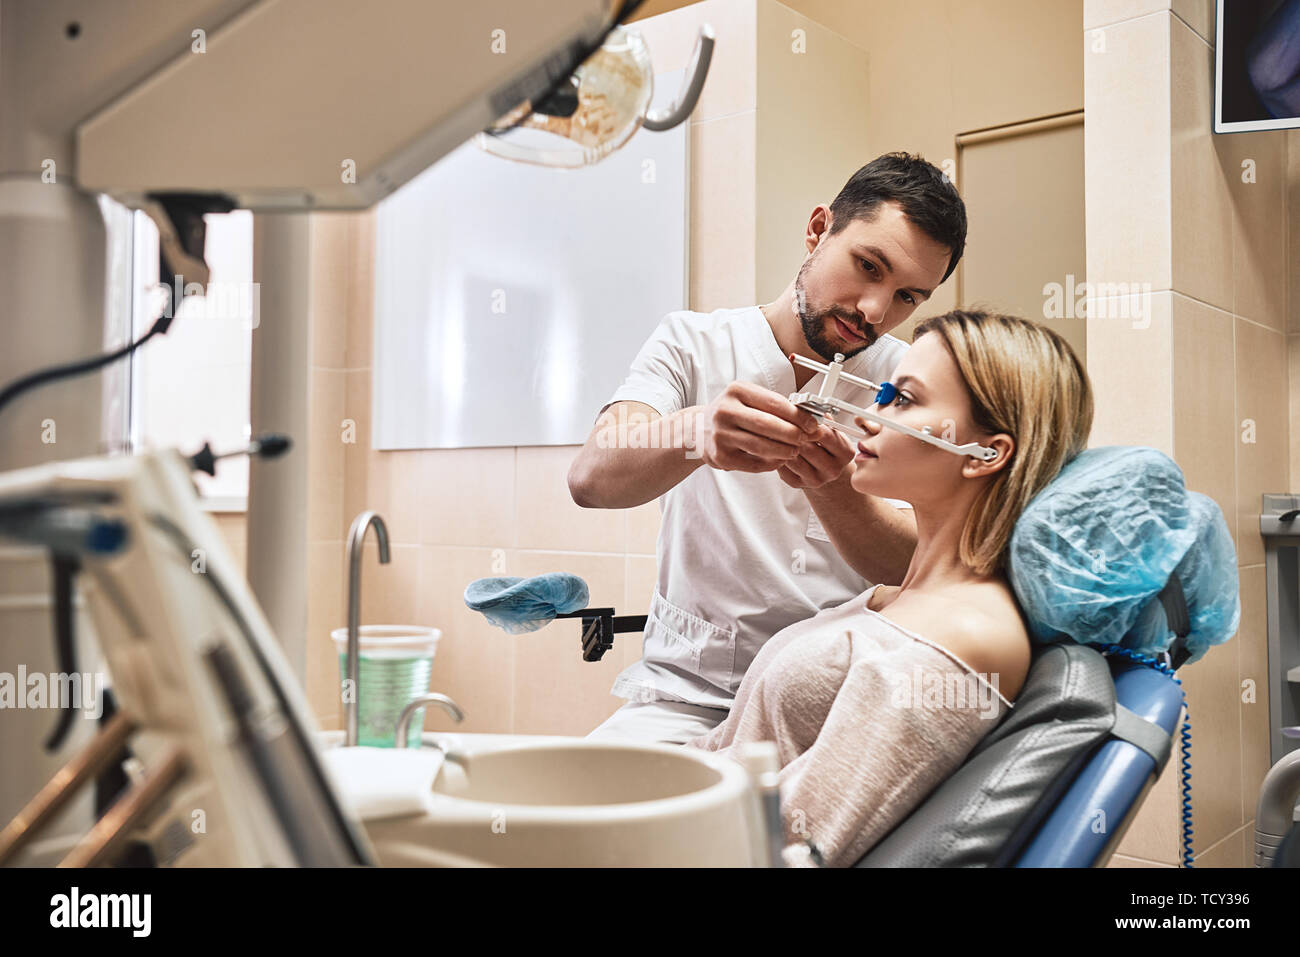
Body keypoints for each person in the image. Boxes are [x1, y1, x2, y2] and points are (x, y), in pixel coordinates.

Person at [568, 153, 967, 744]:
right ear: (817, 230)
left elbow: (926, 567)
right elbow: (592, 478)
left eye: (909, 297)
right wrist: (696, 430)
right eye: (867, 266)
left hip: (830, 703)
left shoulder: (909, 382)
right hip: (685, 696)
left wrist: (835, 490)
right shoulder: (691, 344)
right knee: (579, 824)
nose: (875, 311)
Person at [684, 309, 1095, 867]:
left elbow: (791, 853)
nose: (871, 418)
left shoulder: (960, 636)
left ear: (988, 454)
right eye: (882, 394)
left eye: (902, 399)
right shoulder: (906, 596)